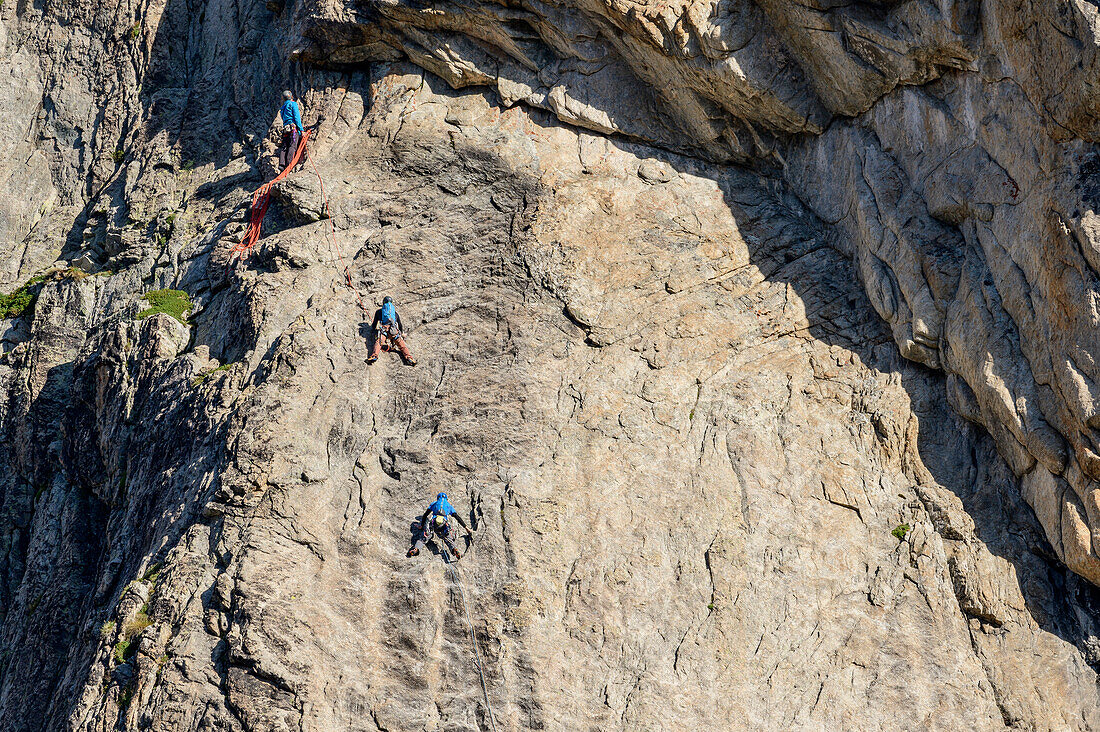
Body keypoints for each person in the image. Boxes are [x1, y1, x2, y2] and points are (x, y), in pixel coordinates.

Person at [408, 492, 473, 559]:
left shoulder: (434, 503)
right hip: (443, 524)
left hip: (433, 523)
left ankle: (416, 549)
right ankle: (454, 549)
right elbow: (457, 517)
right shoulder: (449, 505)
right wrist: (466, 528)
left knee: (424, 537)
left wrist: (421, 525)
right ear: (446, 499)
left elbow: (425, 515)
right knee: (448, 538)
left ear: (438, 498)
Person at [367, 295, 416, 365]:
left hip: (384, 330)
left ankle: (374, 356)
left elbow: (374, 325)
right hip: (394, 330)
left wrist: (373, 330)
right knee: (402, 345)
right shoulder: (395, 313)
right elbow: (400, 325)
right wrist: (402, 333)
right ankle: (409, 357)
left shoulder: (379, 312)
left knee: (379, 342)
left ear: (383, 303)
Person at [278, 91, 304, 171]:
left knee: (285, 146)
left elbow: (283, 117)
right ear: (291, 96)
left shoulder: (283, 108)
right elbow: (296, 117)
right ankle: (289, 164)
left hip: (286, 128)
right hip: (293, 128)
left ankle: (281, 164)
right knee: (292, 145)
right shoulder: (293, 104)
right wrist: (301, 129)